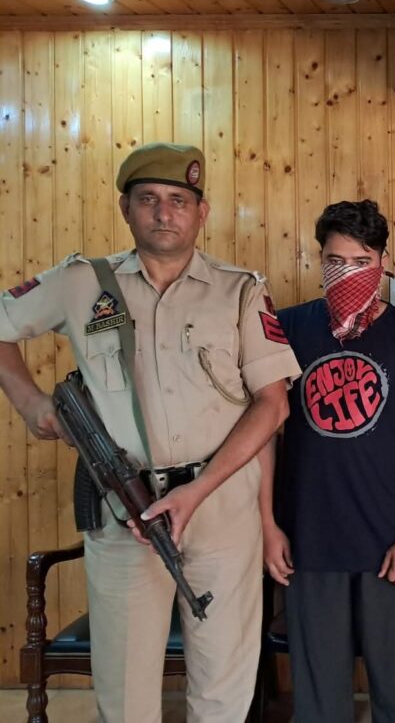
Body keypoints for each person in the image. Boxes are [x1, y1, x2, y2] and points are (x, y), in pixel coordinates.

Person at [0, 142, 300, 722]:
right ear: (126, 209)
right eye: (149, 199)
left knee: (224, 690)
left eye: (179, 200)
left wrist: (198, 492)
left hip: (221, 513)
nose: (165, 213)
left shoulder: (240, 290)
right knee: (126, 694)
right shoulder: (82, 283)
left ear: (201, 212)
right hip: (125, 515)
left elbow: (272, 406)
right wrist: (30, 402)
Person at [258, 198, 395, 723]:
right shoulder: (288, 328)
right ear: (319, 261)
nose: (348, 273)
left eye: (361, 262)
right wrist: (268, 525)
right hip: (309, 541)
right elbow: (266, 435)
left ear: (383, 262)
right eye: (335, 261)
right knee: (320, 700)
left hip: (390, 541)